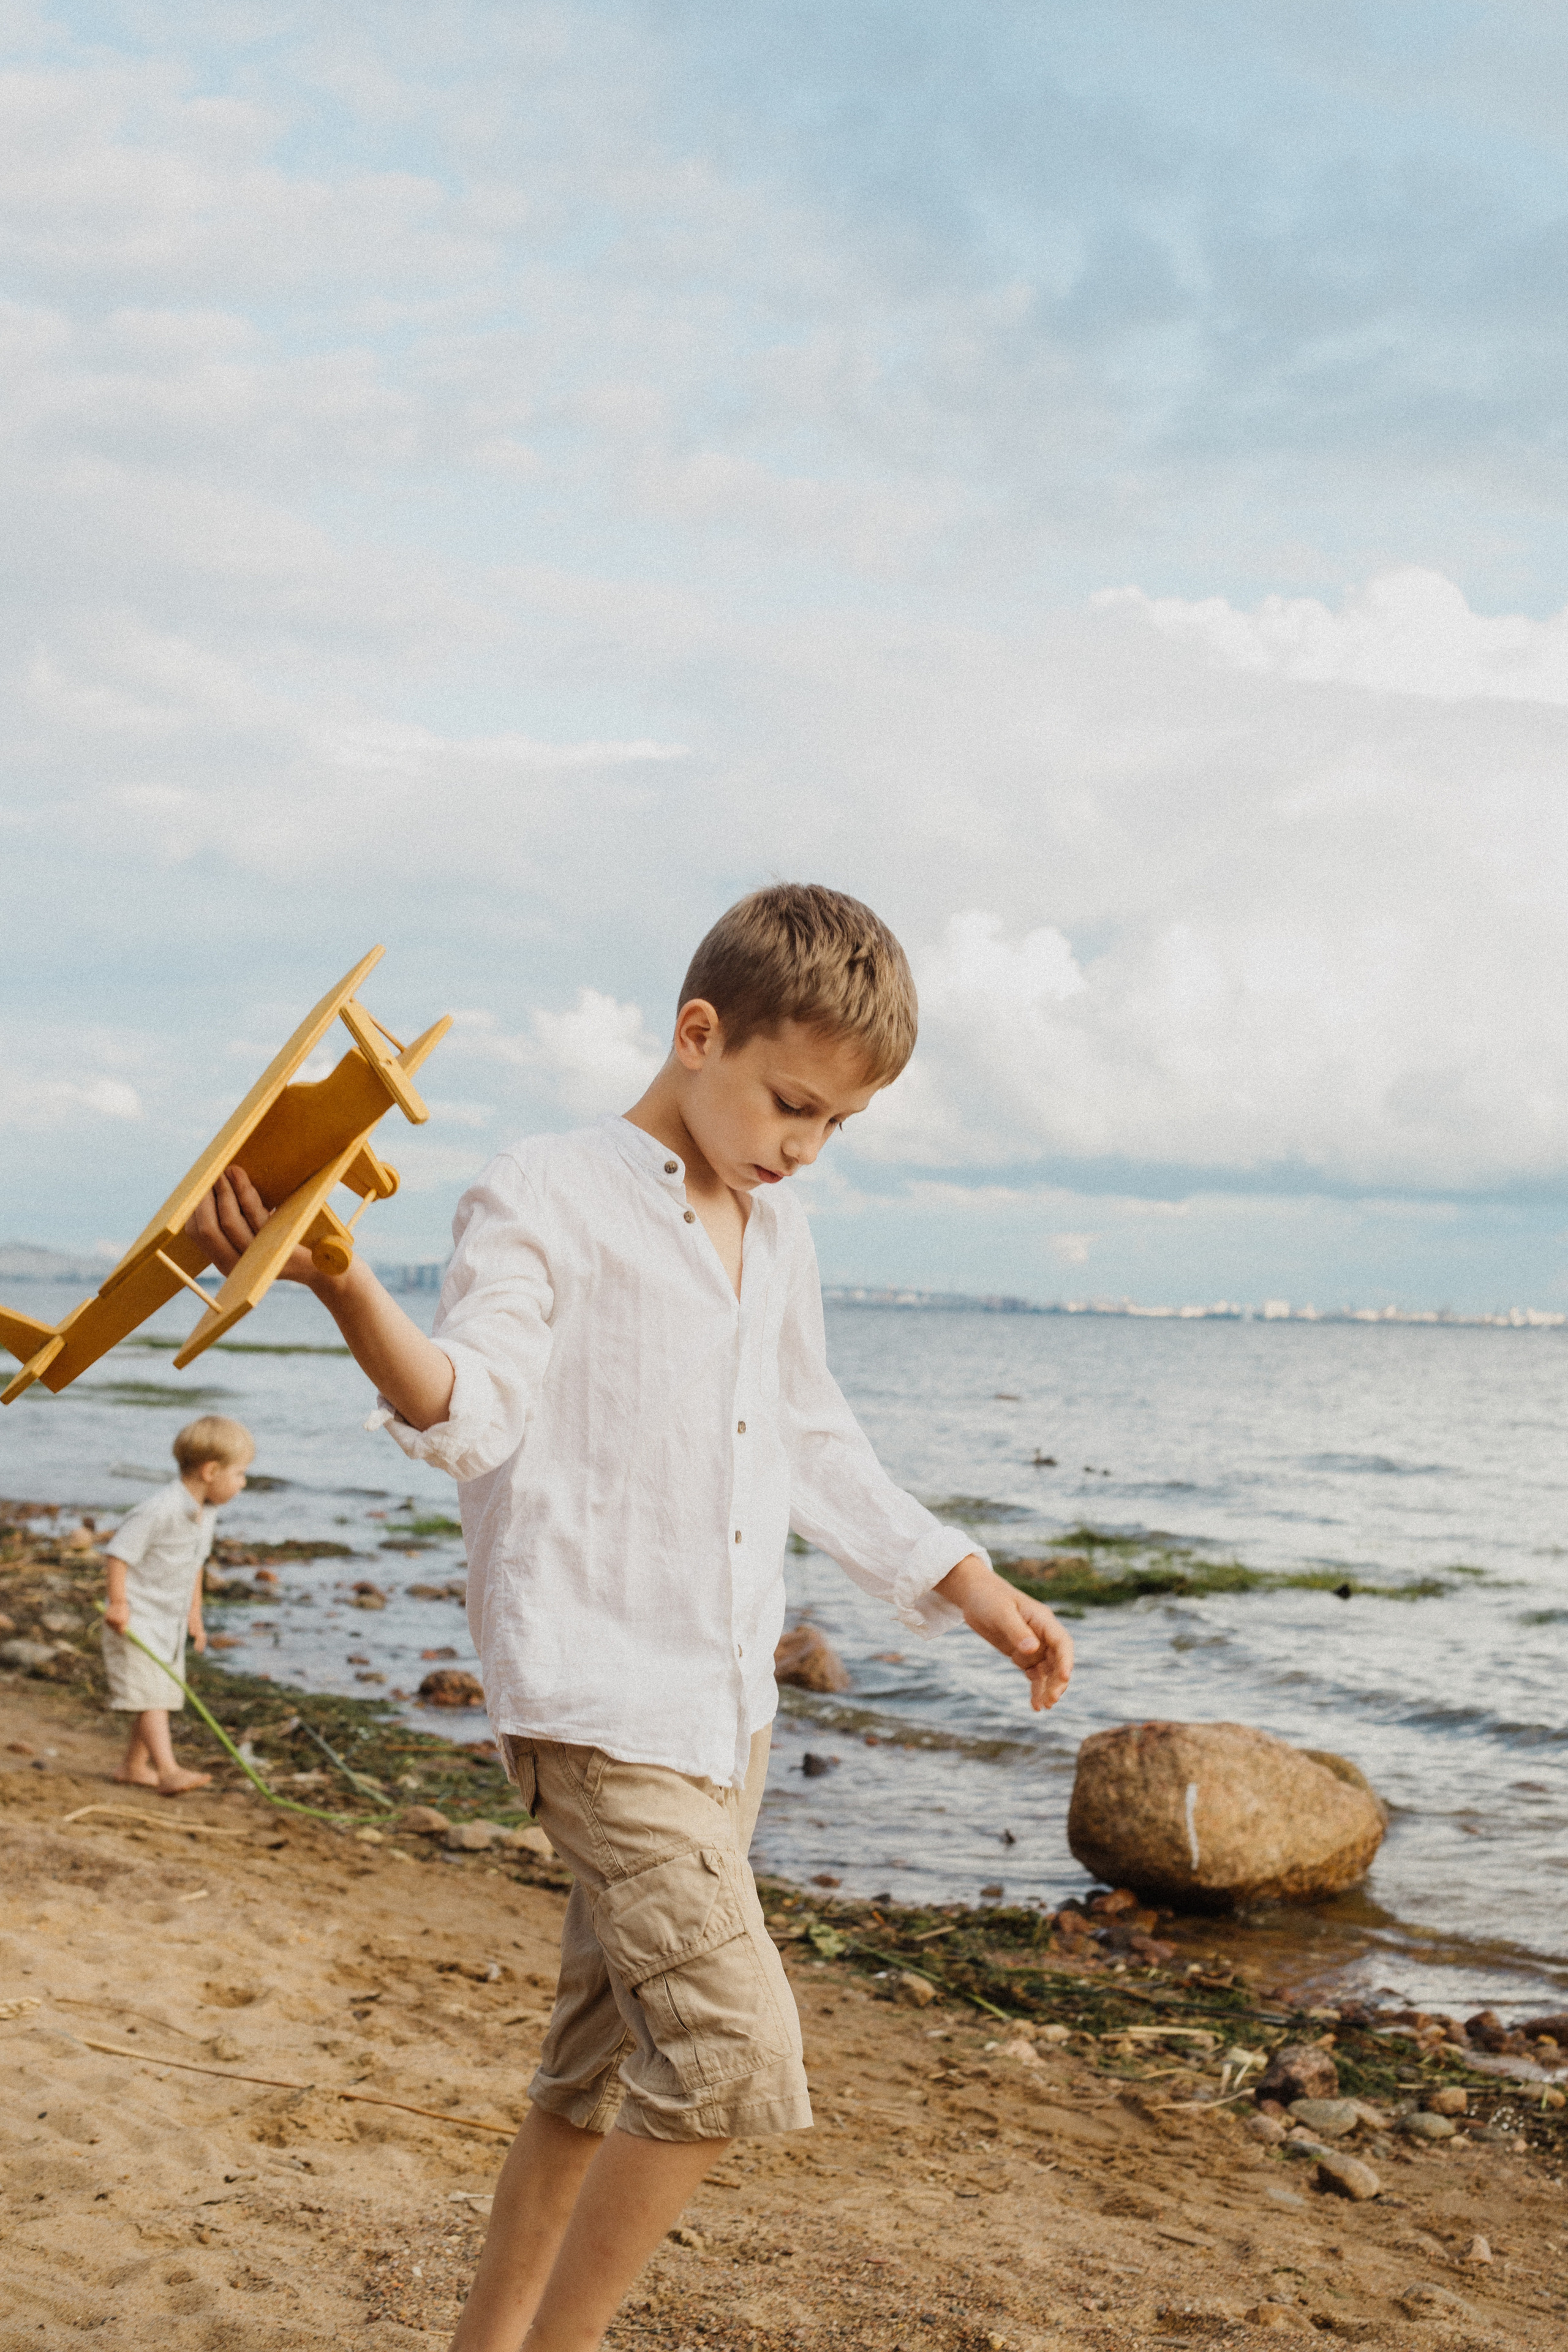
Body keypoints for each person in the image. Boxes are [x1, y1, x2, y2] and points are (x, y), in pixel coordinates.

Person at [187, 884, 1074, 2352]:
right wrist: (339, 1274)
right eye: (790, 1103)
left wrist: (965, 1584)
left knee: (587, 2077)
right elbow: (468, 1409)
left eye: (835, 1128)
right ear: (695, 1031)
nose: (802, 1148)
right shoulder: (541, 1188)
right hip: (595, 1706)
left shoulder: (771, 1234)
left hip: (725, 1712)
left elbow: (812, 1434)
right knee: (734, 2053)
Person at [102, 1414, 254, 1795]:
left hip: (168, 1620)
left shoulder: (206, 1515)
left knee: (161, 1693)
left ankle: (133, 1766)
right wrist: (118, 1603)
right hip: (137, 1617)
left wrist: (195, 1617)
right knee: (152, 1695)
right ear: (211, 1471)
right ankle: (168, 1770)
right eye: (239, 1474)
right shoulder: (161, 1509)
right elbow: (119, 1554)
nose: (244, 1483)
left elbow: (194, 1568)